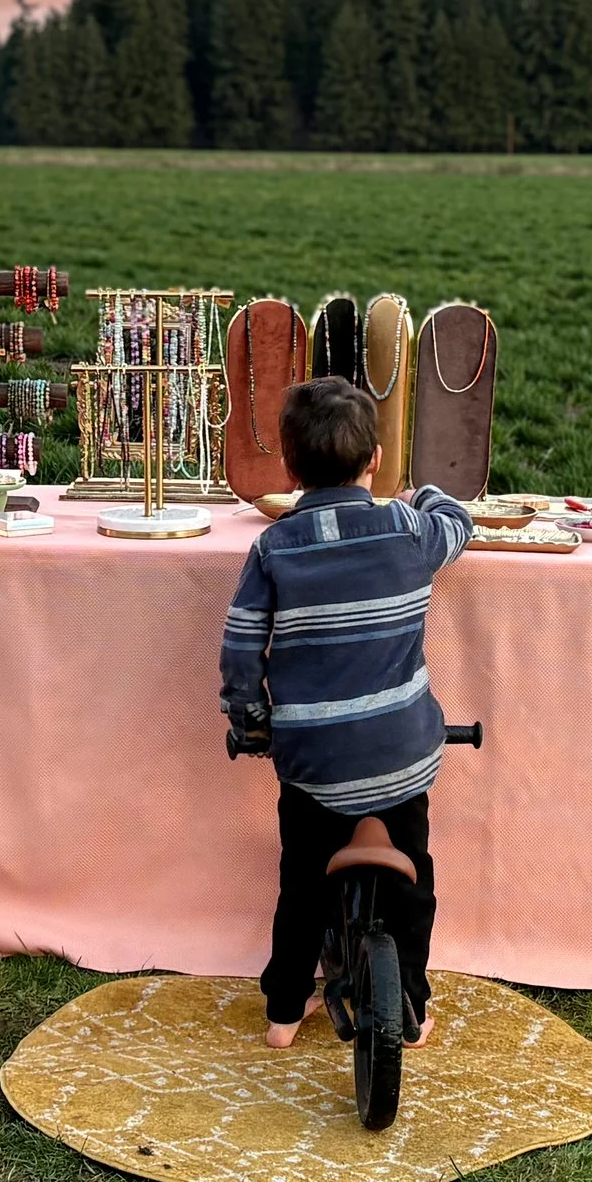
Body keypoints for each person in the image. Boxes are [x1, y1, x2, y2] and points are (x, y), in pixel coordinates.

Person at [219, 375, 474, 1049]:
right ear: (377, 460)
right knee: (413, 881)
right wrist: (426, 492)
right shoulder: (409, 526)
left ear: (291, 468)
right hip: (402, 751)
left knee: (302, 881)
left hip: (313, 760)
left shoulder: (275, 547)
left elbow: (242, 646)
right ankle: (411, 1008)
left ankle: (281, 1010)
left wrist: (250, 725)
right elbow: (459, 523)